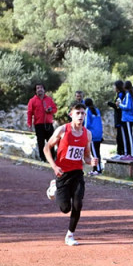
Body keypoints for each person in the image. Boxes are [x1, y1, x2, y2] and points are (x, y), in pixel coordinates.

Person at [43, 103, 99, 246]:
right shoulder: (62, 130)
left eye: (83, 113)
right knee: (65, 208)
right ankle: (54, 185)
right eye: (77, 113)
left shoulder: (87, 134)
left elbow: (86, 156)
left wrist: (91, 160)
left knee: (78, 204)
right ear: (71, 115)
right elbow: (46, 148)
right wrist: (54, 166)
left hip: (77, 173)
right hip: (62, 173)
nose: (80, 116)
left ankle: (70, 235)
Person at [107, 80, 133, 160]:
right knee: (126, 136)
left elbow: (128, 107)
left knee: (128, 137)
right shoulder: (128, 95)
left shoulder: (128, 95)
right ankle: (127, 153)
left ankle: (132, 154)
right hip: (125, 118)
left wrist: (119, 105)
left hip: (127, 118)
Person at [27, 84, 57, 161]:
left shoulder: (49, 99)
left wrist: (50, 110)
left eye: (41, 88)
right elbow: (29, 113)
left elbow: (55, 109)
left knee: (51, 142)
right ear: (36, 91)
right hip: (38, 124)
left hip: (49, 124)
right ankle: (42, 158)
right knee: (41, 143)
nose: (39, 89)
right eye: (37, 88)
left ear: (44, 90)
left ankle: (52, 158)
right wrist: (29, 123)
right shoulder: (32, 101)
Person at [84, 97, 104, 176]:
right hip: (98, 134)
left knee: (94, 153)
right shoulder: (97, 110)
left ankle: (97, 170)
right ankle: (96, 168)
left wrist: (84, 132)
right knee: (97, 152)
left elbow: (87, 124)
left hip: (92, 134)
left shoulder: (88, 110)